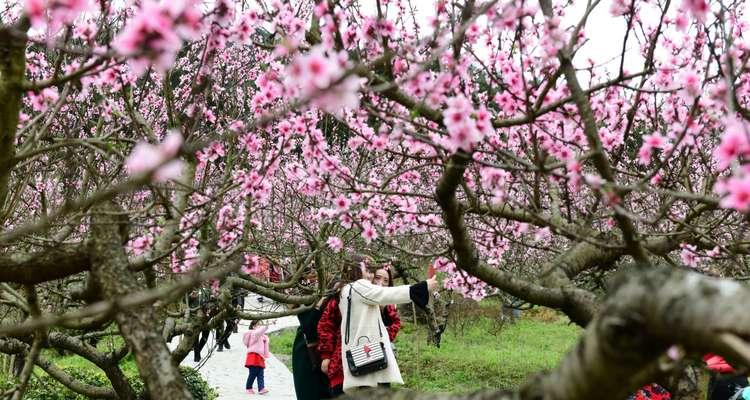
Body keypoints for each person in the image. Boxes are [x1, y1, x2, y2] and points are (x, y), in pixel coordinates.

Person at [331, 256, 437, 394]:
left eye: (371, 272)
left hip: (359, 355)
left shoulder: (345, 290)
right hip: (369, 357)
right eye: (367, 270)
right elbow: (385, 294)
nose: (370, 275)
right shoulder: (359, 287)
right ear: (355, 270)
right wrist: (422, 287)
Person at [292, 280, 342, 400]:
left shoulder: (339, 286)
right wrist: (320, 302)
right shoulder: (304, 288)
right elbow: (308, 325)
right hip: (309, 354)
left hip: (333, 354)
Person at [373, 265, 401, 344]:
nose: (381, 283)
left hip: (384, 346)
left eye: (386, 281)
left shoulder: (390, 304)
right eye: (377, 277)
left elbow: (396, 324)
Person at [243, 320, 271, 395]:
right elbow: (259, 332)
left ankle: (261, 388)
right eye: (258, 324)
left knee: (260, 373)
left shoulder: (262, 336)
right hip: (253, 356)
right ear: (253, 326)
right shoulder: (254, 334)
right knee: (253, 373)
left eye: (261, 324)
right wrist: (266, 326)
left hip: (260, 356)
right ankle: (248, 388)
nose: (260, 326)